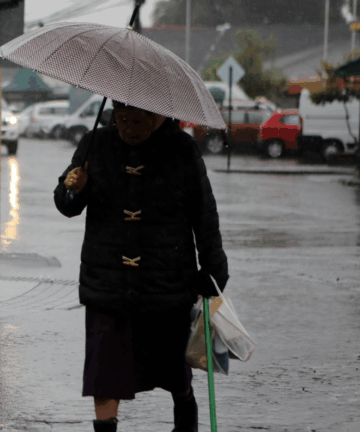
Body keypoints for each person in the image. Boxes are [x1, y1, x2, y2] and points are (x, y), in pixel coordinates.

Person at [54, 101, 229, 432]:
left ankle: (185, 417)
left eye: (137, 121)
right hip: (107, 281)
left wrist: (213, 270)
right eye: (121, 120)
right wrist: (71, 190)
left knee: (174, 368)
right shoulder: (96, 143)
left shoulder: (180, 147)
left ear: (157, 116)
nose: (128, 129)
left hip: (166, 281)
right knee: (104, 371)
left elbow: (203, 213)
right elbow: (68, 205)